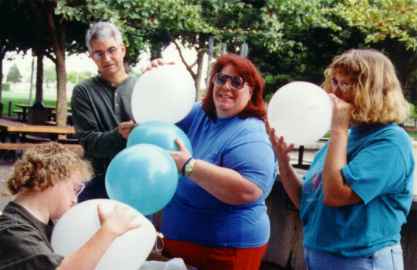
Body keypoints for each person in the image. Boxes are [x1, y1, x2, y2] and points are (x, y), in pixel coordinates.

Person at [269, 49, 414, 270]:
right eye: (334, 82)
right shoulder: (347, 136)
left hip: (362, 260)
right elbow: (306, 201)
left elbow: (335, 195)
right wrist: (283, 161)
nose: (333, 93)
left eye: (345, 85)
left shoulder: (391, 143)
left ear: (372, 92)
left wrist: (338, 129)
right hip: (320, 256)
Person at [162, 53, 276, 270]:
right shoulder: (199, 114)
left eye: (237, 82)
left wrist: (190, 166)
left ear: (251, 91)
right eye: (221, 78)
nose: (226, 86)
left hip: (225, 250)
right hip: (180, 243)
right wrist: (160, 76)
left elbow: (250, 189)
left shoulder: (251, 132)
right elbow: (161, 116)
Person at [0, 142, 140, 270]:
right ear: (52, 178)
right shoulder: (13, 231)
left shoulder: (39, 225)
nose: (75, 199)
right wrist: (109, 230)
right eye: (74, 188)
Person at [71, 21, 136, 201]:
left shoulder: (142, 88)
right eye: (98, 53)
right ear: (91, 56)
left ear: (123, 49)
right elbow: (88, 142)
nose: (106, 58)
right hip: (96, 183)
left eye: (111, 50)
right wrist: (118, 135)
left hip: (137, 182)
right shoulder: (83, 91)